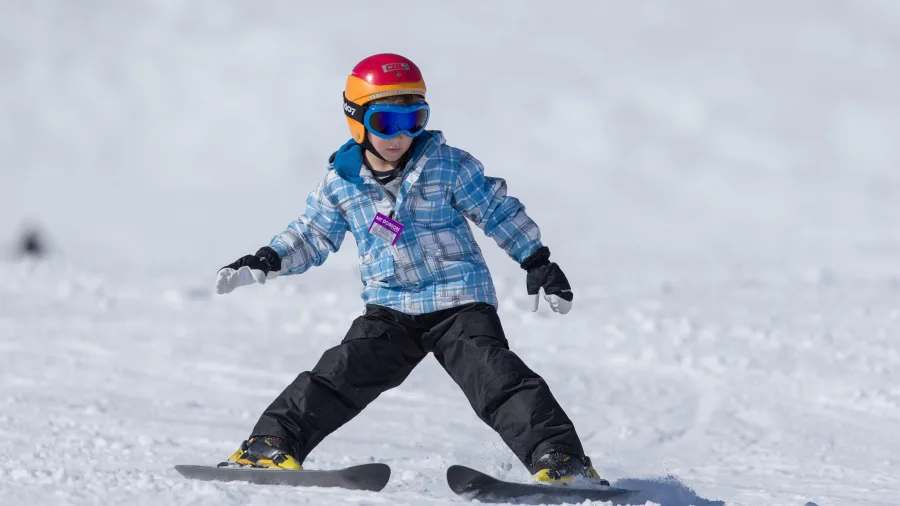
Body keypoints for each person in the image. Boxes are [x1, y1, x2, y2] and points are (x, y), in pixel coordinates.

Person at [214, 53, 606, 485]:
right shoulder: (342, 183)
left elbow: (497, 210)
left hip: (459, 301)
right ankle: (270, 446)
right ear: (357, 120)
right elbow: (312, 234)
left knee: (497, 379)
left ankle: (563, 461)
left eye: (414, 119)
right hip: (390, 307)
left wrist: (536, 260)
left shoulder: (448, 165)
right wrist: (269, 258)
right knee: (338, 374)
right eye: (386, 123)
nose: (401, 136)